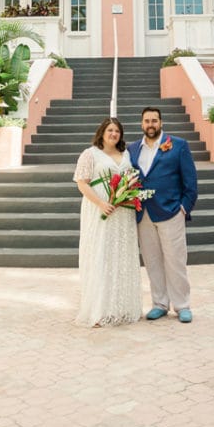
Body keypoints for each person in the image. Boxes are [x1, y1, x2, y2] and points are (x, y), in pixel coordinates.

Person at [128, 106, 198, 324]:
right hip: (143, 213)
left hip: (170, 212)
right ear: (141, 124)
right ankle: (159, 303)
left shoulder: (178, 146)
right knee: (152, 261)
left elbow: (190, 181)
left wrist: (183, 208)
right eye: (147, 121)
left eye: (154, 121)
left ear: (161, 122)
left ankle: (182, 305)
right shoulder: (132, 149)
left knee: (176, 260)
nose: (151, 125)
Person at [73, 117, 142, 327]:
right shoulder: (90, 154)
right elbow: (81, 183)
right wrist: (101, 204)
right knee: (100, 256)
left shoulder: (126, 154)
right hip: (100, 211)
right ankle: (99, 309)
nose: (114, 134)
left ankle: (120, 308)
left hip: (123, 213)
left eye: (117, 131)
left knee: (121, 257)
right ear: (102, 132)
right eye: (110, 130)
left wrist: (127, 196)